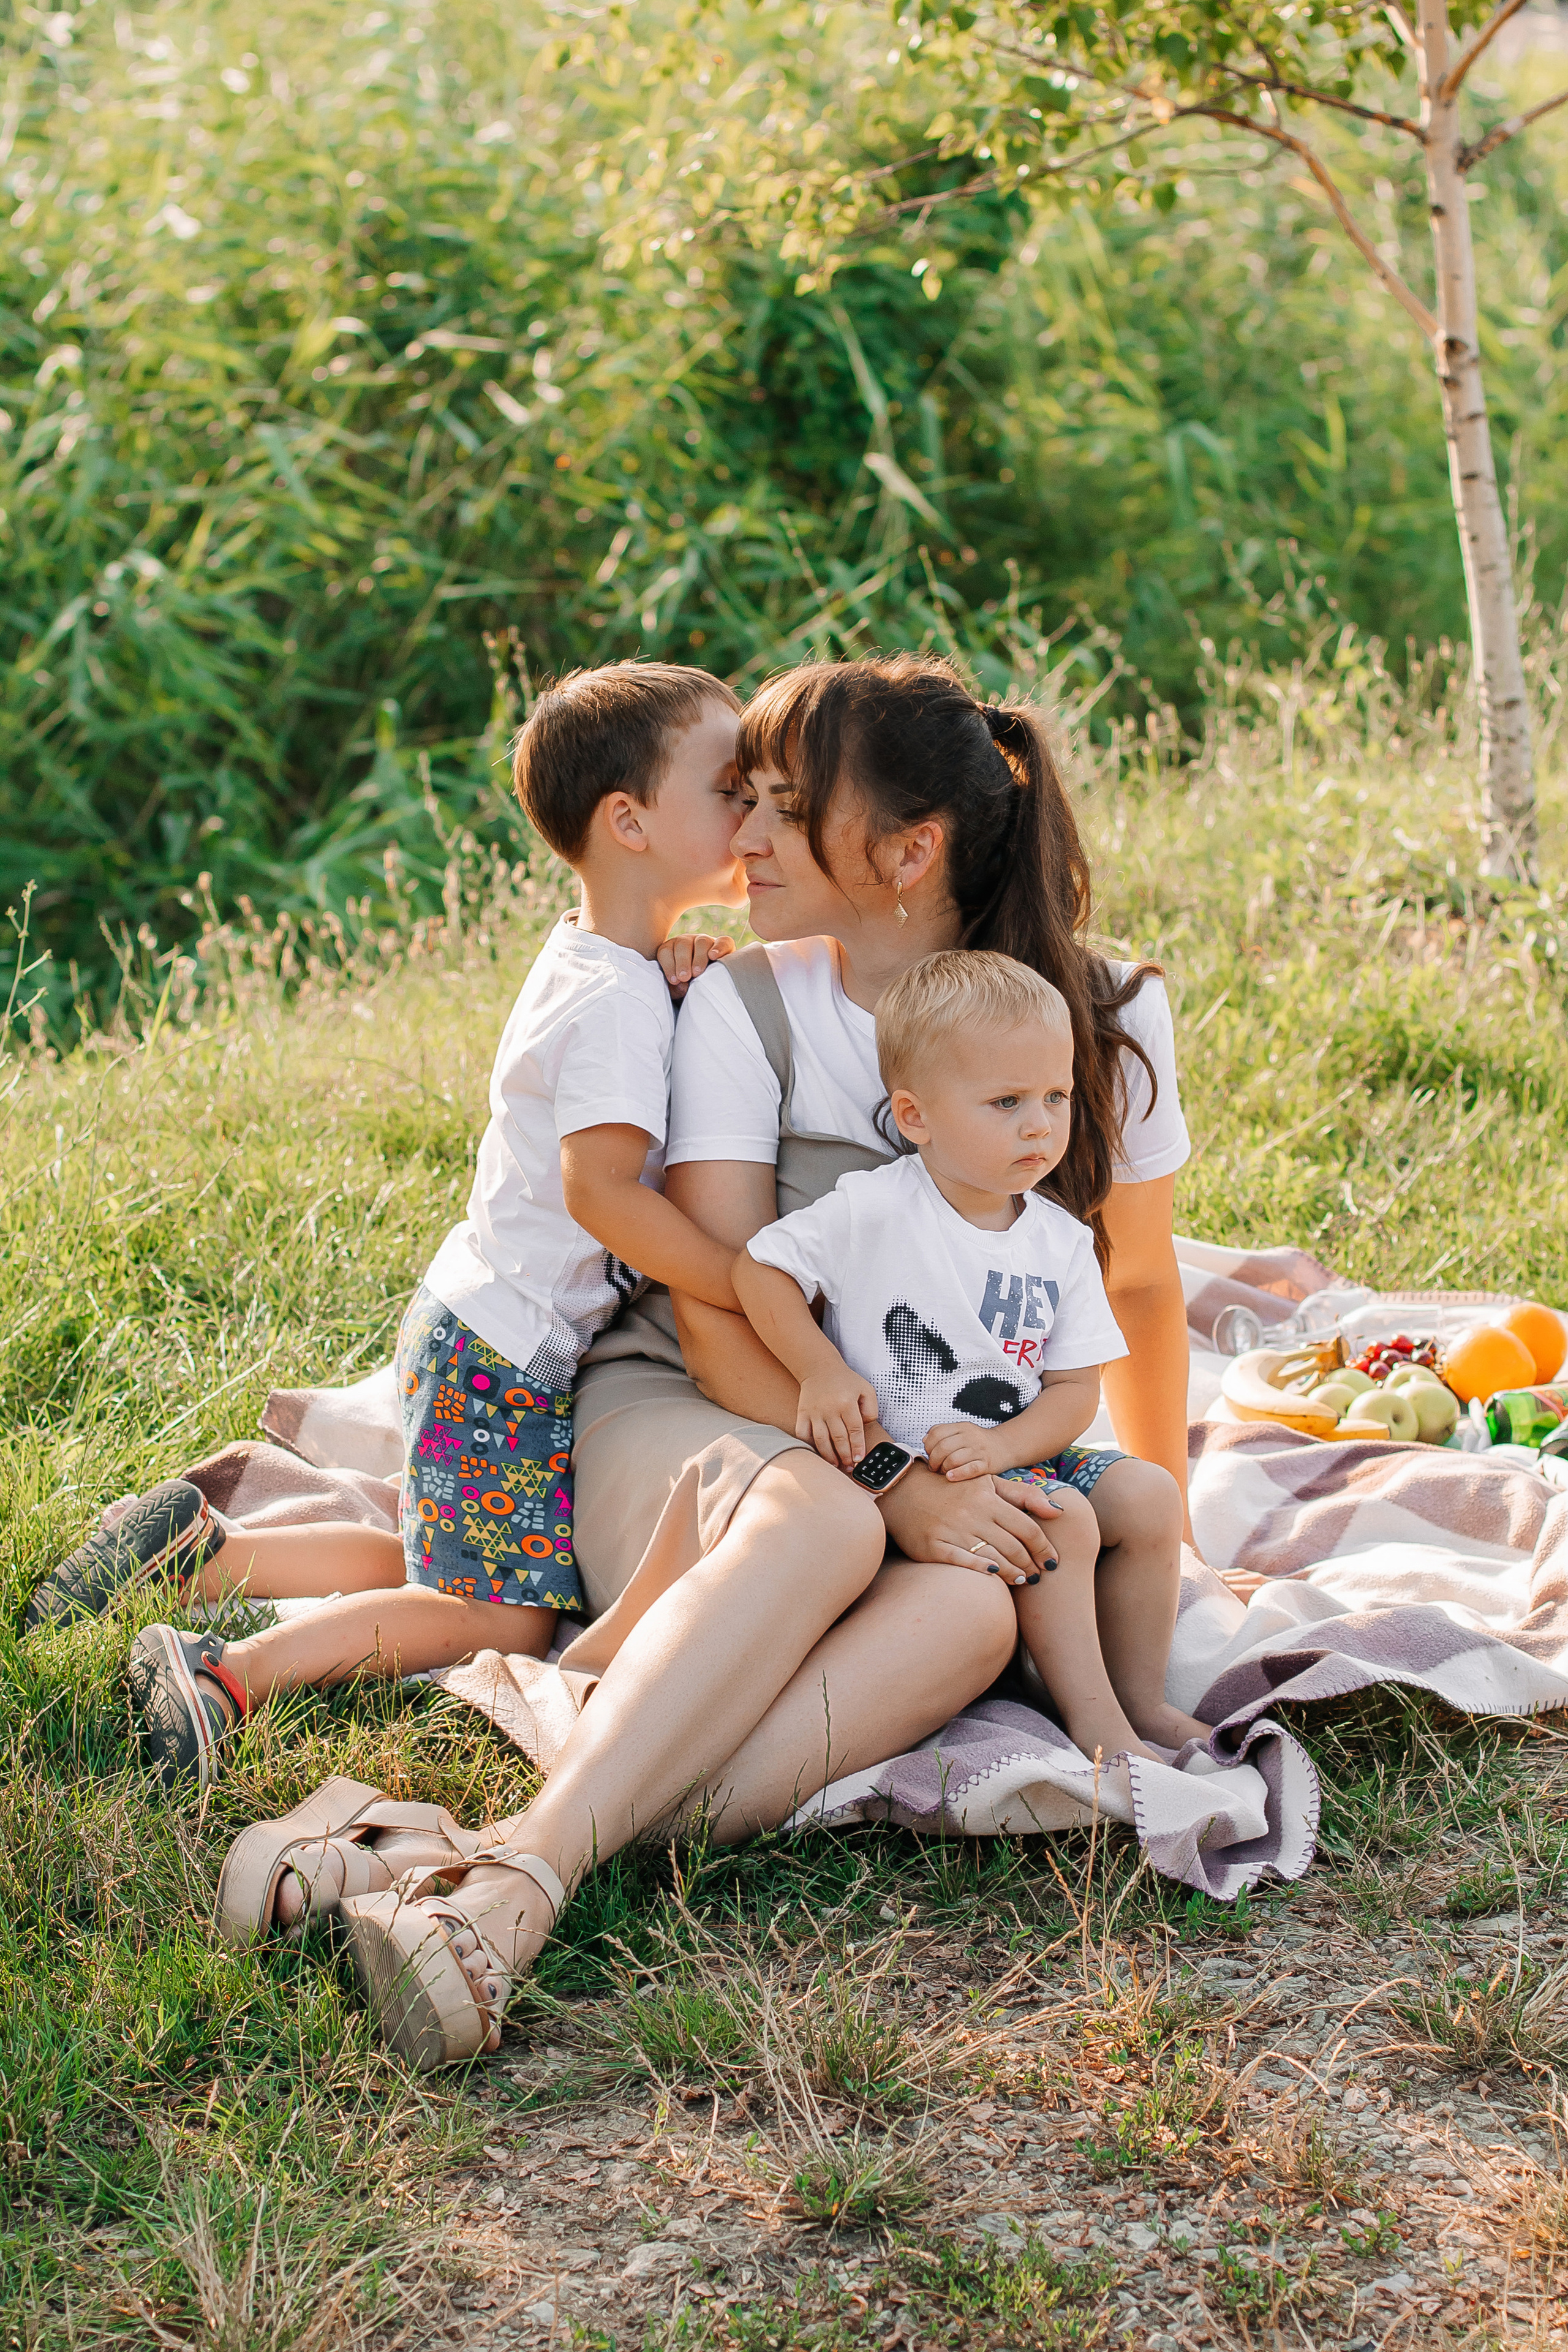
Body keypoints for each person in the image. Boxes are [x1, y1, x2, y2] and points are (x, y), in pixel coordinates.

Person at [214, 654, 1194, 2073]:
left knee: (976, 1622)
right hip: (692, 1403)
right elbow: (725, 1302)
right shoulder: (745, 1005)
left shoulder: (1098, 1018)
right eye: (743, 799)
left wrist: (1152, 1502)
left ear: (910, 850)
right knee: (826, 1515)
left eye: (783, 809)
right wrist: (894, 1490)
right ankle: (522, 1892)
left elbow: (1143, 1285)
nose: (741, 838)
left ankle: (432, 1849)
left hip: (925, 1440)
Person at [26, 662, 752, 1790]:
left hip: (478, 1316)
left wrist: (679, 970)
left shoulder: (599, 962)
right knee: (502, 1619)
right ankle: (224, 1673)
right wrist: (729, 1277)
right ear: (632, 821)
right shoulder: (616, 1003)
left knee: (443, 1553)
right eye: (731, 787)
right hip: (508, 1351)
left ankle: (195, 1559)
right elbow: (602, 1195)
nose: (754, 811)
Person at [733, 946, 1205, 1766]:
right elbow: (759, 1270)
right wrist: (820, 1368)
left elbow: (1072, 1394)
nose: (1039, 1124)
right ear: (916, 1116)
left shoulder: (1059, 1240)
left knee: (1152, 1496)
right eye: (1006, 1101)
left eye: (1056, 1097)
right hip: (917, 1473)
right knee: (1065, 1520)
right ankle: (1098, 1726)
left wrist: (1006, 1447)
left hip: (1018, 1453)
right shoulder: (877, 1211)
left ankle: (1142, 1701)